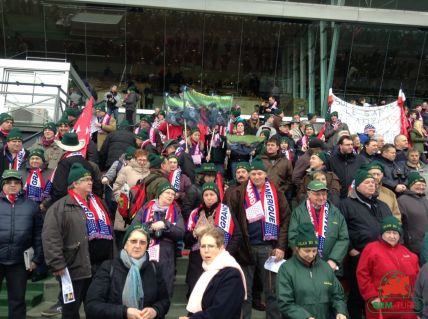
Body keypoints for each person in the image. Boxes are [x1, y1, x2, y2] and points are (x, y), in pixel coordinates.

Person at [43, 163, 114, 319]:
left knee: (96, 308)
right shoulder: (60, 207)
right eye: (85, 179)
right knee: (70, 310)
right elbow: (51, 237)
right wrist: (57, 263)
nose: (90, 182)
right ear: (75, 183)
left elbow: (110, 231)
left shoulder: (99, 203)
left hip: (100, 267)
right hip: (75, 267)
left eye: (90, 179)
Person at [225, 160, 291, 319]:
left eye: (259, 173)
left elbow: (286, 219)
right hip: (244, 249)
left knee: (272, 292)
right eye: (253, 173)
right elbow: (231, 220)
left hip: (270, 249)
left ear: (265, 174)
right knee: (244, 292)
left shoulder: (276, 192)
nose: (256, 176)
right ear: (248, 174)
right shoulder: (238, 193)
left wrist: (281, 246)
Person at [84, 223, 170, 319]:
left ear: (147, 246)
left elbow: (164, 301)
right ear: (125, 244)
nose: (138, 246)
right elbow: (92, 305)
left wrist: (155, 310)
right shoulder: (108, 268)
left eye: (142, 242)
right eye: (133, 241)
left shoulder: (154, 269)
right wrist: (124, 312)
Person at [339, 169, 393, 319]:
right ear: (357, 186)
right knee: (357, 295)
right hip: (360, 256)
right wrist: (351, 249)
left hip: (383, 257)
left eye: (373, 183)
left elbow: (393, 226)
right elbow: (341, 229)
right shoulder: (346, 204)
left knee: (380, 294)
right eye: (367, 182)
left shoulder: (382, 205)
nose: (372, 185)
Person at [276, 223, 348, 319]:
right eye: (307, 251)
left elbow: (337, 295)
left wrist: (340, 311)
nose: (311, 255)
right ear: (297, 249)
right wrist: (305, 317)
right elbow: (285, 303)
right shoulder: (286, 269)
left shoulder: (325, 267)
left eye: (314, 251)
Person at [0, 169, 43, 319]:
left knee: (17, 302)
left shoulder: (32, 206)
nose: (12, 185)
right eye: (8, 182)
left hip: (19, 262)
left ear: (21, 185)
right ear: (2, 185)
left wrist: (37, 259)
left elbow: (38, 235)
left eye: (16, 182)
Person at [185, 183, 242, 295]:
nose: (209, 197)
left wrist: (226, 253)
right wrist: (194, 233)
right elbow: (186, 240)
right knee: (196, 291)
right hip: (197, 258)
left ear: (217, 196)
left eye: (212, 194)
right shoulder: (195, 213)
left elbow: (237, 235)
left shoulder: (226, 212)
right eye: (206, 195)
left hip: (219, 257)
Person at [357, 216, 419, 319]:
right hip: (381, 305)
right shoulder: (371, 249)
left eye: (395, 233)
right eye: (388, 232)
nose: (392, 236)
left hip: (405, 308)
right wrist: (371, 296)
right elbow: (362, 274)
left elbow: (417, 277)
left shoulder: (408, 253)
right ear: (382, 234)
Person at [132, 181, 185, 298]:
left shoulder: (176, 211)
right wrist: (151, 227)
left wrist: (165, 225)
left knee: (164, 290)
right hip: (144, 251)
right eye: (167, 193)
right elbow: (134, 227)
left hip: (166, 255)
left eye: (172, 194)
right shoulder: (146, 207)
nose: (171, 195)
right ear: (159, 194)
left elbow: (180, 233)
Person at [179, 227, 246, 319]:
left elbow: (221, 312)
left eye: (211, 246)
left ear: (221, 248)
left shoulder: (232, 274)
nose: (206, 250)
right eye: (203, 246)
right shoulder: (208, 270)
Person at [288, 180, 349, 274]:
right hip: (305, 265)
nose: (321, 197)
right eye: (317, 194)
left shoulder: (336, 213)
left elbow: (343, 238)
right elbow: (293, 237)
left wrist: (333, 260)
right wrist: (305, 258)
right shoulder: (298, 213)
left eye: (324, 194)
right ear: (309, 194)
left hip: (330, 266)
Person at [398, 172, 428, 256]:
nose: (421, 187)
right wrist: (401, 244)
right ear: (410, 185)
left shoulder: (425, 200)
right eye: (418, 184)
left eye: (423, 185)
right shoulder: (402, 201)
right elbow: (399, 223)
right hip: (414, 247)